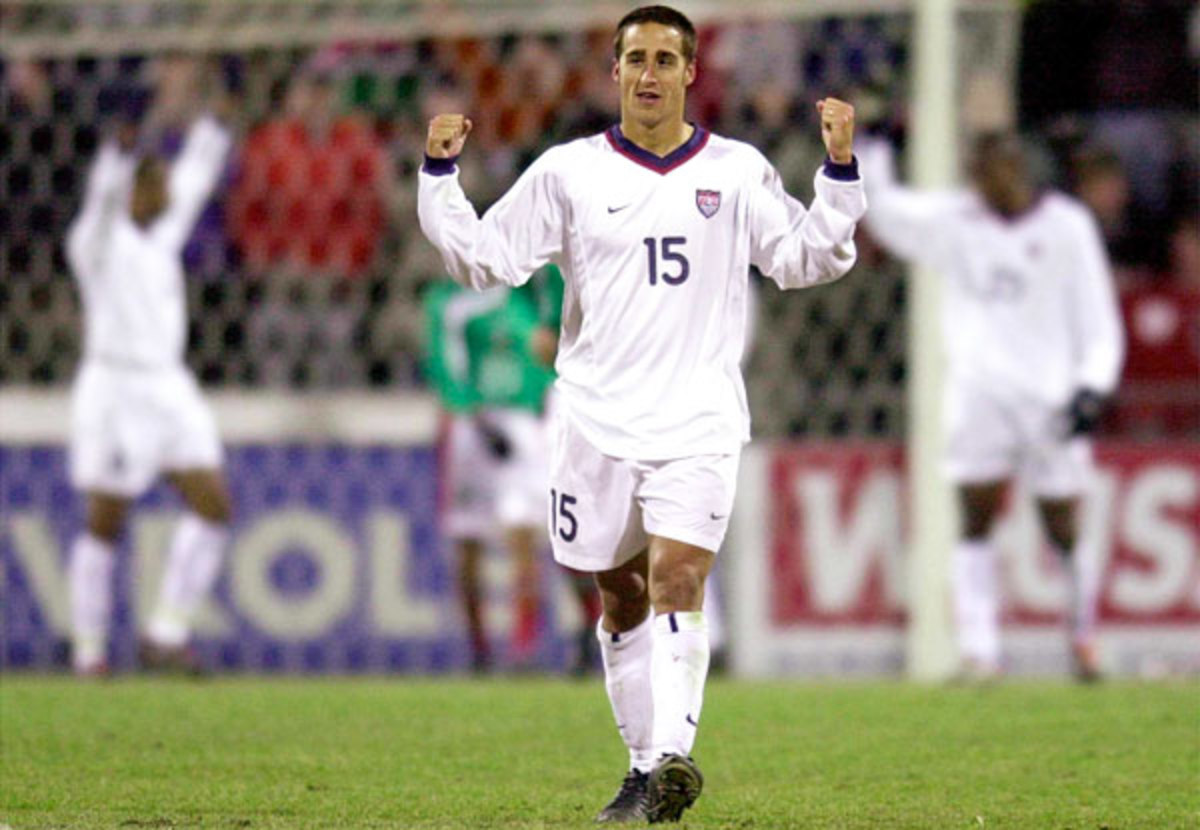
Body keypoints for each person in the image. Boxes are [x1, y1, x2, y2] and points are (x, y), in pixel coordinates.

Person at [418, 5, 865, 822]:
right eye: (637, 59)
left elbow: (805, 258)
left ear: (692, 73)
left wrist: (837, 175)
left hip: (697, 418)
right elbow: (488, 260)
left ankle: (671, 761)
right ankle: (639, 771)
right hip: (594, 418)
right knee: (618, 595)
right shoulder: (567, 173)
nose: (651, 73)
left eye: (667, 59)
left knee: (679, 578)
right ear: (615, 72)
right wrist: (439, 179)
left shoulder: (735, 171)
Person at [857, 133, 1125, 682]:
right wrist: (874, 150)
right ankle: (981, 652)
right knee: (974, 519)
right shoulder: (957, 220)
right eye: (978, 171)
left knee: (1063, 525)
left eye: (997, 169)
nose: (986, 181)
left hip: (1051, 399)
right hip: (979, 397)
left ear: (1022, 168)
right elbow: (885, 212)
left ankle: (1083, 639)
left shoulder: (1066, 226)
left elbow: (1099, 315)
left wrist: (1092, 386)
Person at [65, 110, 234, 677]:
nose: (168, 191)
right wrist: (116, 157)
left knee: (213, 505)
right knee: (105, 520)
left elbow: (193, 183)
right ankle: (88, 651)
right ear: (133, 189)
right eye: (155, 183)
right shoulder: (96, 244)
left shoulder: (161, 239)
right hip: (115, 387)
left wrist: (212, 131)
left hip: (169, 384)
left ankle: (165, 632)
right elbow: (102, 203)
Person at [423, 265, 599, 673]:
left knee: (532, 531)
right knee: (468, 540)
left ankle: (528, 648)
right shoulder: (444, 302)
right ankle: (480, 651)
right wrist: (471, 413)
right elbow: (442, 365)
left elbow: (541, 351)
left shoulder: (516, 295)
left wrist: (543, 396)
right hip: (468, 429)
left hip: (521, 425)